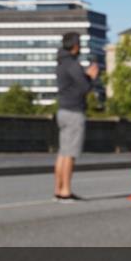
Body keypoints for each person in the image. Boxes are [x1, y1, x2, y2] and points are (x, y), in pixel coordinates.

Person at [53, 31, 99, 202]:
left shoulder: (61, 63)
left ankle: (58, 190)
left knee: (62, 153)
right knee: (70, 153)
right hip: (74, 112)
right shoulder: (73, 64)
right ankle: (66, 191)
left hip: (62, 110)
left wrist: (85, 75)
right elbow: (84, 88)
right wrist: (92, 78)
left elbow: (73, 83)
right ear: (75, 46)